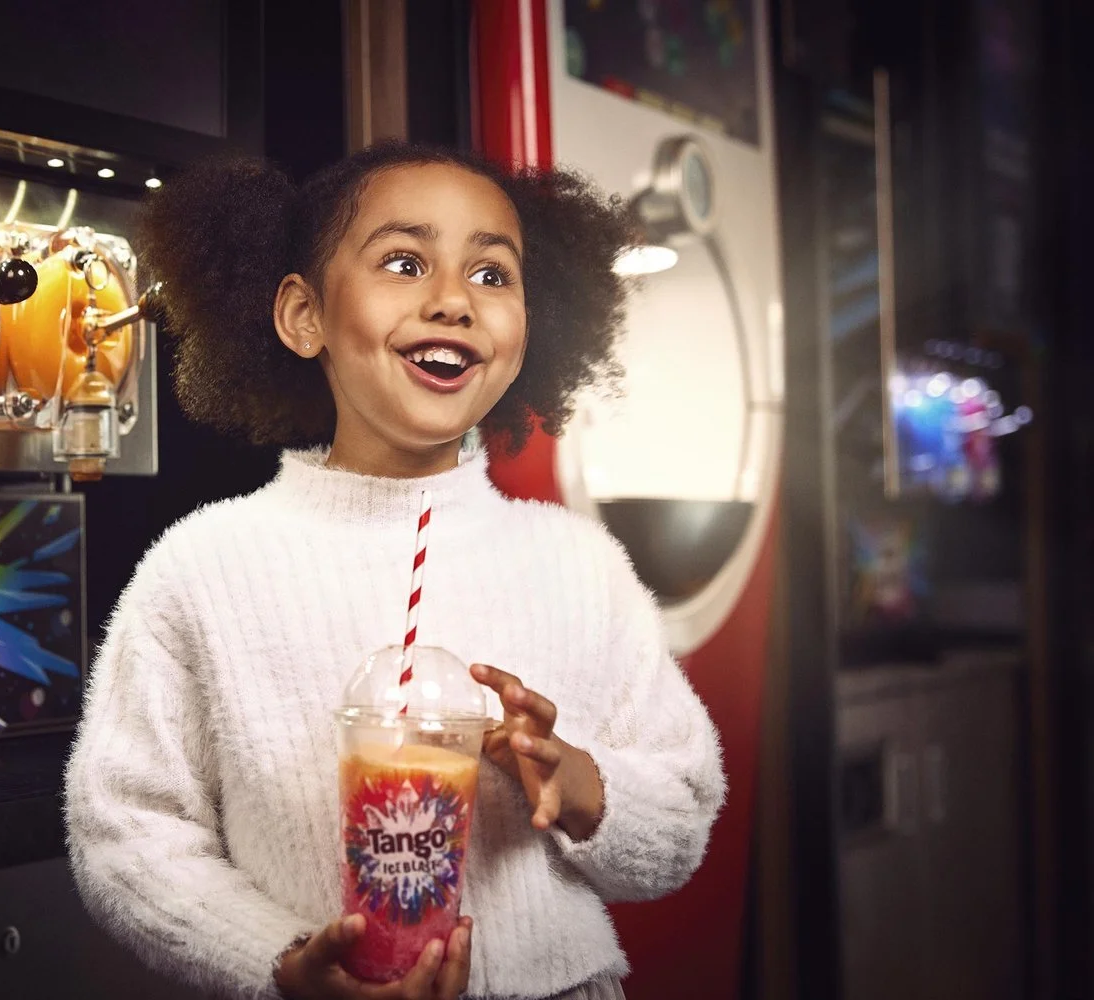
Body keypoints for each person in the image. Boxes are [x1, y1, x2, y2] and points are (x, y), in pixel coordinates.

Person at [63, 140, 726, 1000]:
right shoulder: (203, 568)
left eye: (493, 276)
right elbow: (125, 833)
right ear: (304, 316)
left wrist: (581, 781)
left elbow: (678, 823)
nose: (453, 301)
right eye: (406, 263)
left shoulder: (581, 566)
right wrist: (279, 960)